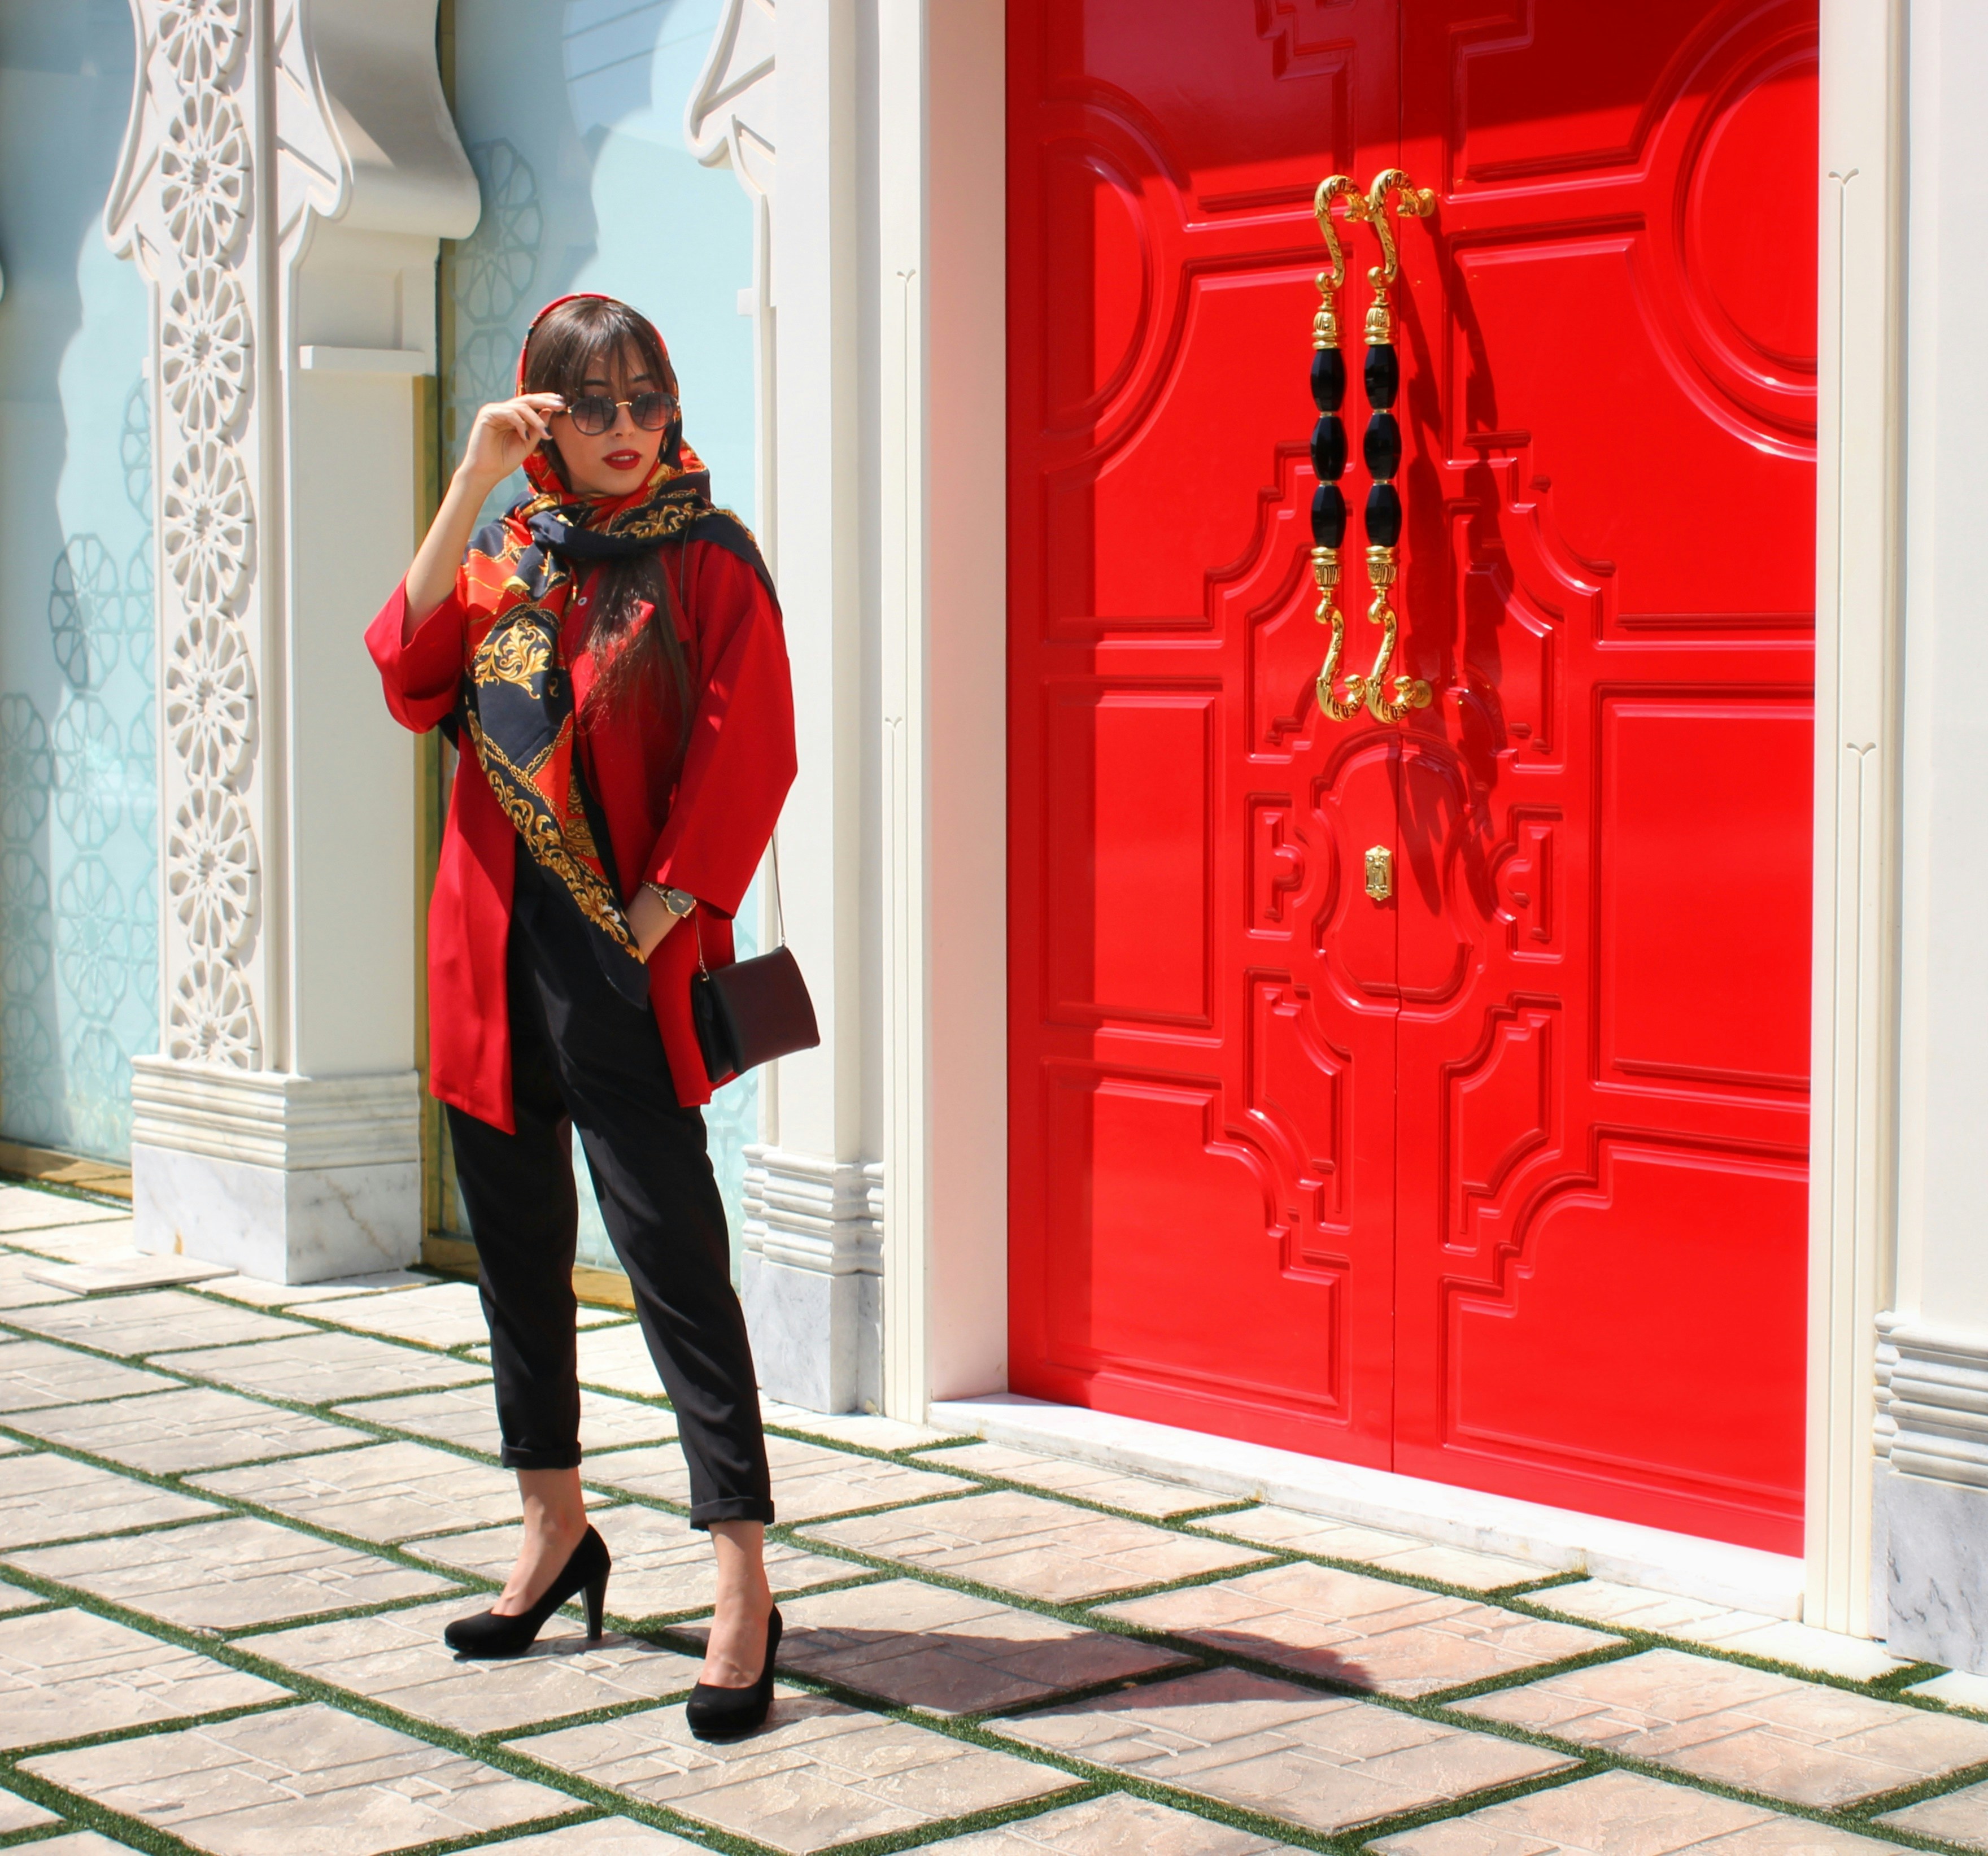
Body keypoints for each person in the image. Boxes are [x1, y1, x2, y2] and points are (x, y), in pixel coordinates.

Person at [365, 293, 794, 1740]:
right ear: (543, 413)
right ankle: (554, 1524)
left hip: (623, 951)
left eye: (644, 399)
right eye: (589, 405)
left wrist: (663, 914)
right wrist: (472, 477)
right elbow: (410, 671)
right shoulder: (507, 547)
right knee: (517, 1254)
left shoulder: (707, 558)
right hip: (487, 949)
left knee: (673, 1251)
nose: (624, 430)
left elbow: (753, 739)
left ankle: (741, 1573)